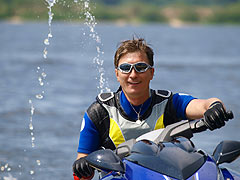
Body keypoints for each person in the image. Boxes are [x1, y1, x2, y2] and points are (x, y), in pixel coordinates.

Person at [72, 38, 231, 180]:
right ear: (117, 74)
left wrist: (214, 108)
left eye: (140, 67)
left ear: (151, 72)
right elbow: (82, 170)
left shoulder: (170, 103)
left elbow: (206, 104)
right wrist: (82, 168)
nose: (133, 75)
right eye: (126, 68)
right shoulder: (99, 112)